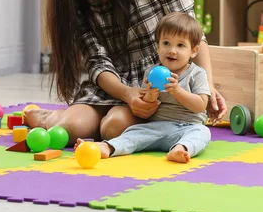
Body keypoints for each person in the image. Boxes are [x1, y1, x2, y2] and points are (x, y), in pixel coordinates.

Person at [24, 0, 227, 144]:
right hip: (112, 84)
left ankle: (83, 122)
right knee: (70, 129)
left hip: (155, 85)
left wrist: (208, 87)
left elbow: (194, 35)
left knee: (114, 128)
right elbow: (97, 62)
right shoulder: (76, 3)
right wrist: (126, 93)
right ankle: (52, 117)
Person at [75, 12, 212, 163]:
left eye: (180, 45)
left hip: (188, 127)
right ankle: (106, 147)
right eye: (166, 43)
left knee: (203, 133)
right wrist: (150, 96)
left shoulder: (197, 74)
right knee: (133, 132)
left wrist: (177, 91)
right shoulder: (152, 73)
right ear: (158, 47)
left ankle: (181, 149)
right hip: (155, 127)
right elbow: (146, 110)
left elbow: (200, 105)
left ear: (193, 51)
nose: (172, 50)